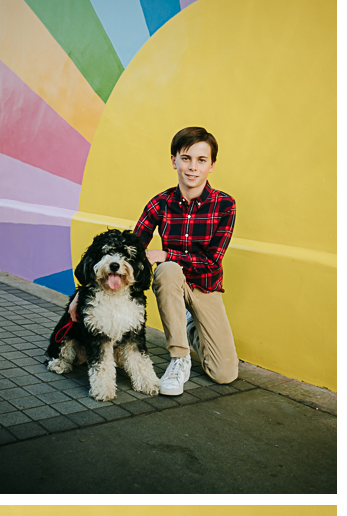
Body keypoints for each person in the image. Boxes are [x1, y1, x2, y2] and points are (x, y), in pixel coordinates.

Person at [68, 126, 238, 396]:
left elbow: (213, 261)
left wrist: (167, 254)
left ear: (212, 165)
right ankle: (179, 358)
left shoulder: (225, 205)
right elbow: (127, 255)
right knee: (168, 270)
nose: (193, 167)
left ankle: (191, 327)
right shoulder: (160, 203)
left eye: (201, 160)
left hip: (206, 286)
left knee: (224, 374)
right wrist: (84, 291)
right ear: (174, 161)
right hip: (169, 283)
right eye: (186, 158)